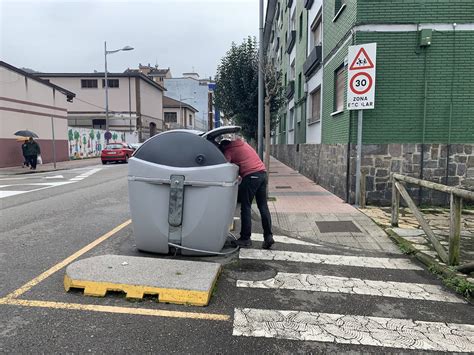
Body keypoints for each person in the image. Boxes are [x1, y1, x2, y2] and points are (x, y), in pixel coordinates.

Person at [220, 137, 274, 249]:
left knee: (246, 206)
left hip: (252, 176)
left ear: (223, 146)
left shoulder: (228, 150)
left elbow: (224, 168)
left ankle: (245, 238)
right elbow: (244, 161)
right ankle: (268, 237)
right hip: (262, 174)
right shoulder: (242, 145)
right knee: (263, 206)